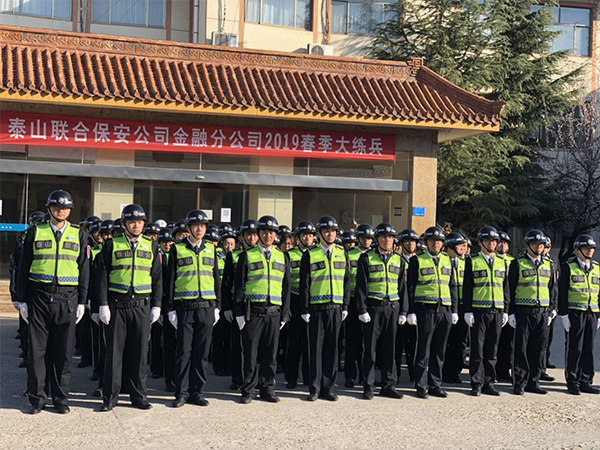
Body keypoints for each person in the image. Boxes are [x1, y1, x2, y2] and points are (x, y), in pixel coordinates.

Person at [16, 190, 90, 414]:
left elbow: (84, 270)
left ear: (70, 210)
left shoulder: (79, 234)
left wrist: (82, 302)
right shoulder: (35, 231)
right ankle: (37, 399)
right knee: (37, 352)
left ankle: (60, 398)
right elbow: (23, 266)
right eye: (57, 207)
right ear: (49, 209)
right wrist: (21, 300)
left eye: (65, 207)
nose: (61, 210)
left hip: (67, 299)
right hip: (39, 297)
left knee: (63, 353)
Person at [96, 204, 162, 411]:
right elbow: (102, 277)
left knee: (140, 354)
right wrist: (103, 304)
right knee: (114, 354)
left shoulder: (151, 246)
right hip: (117, 306)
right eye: (132, 222)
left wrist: (157, 305)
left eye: (140, 222)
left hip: (141, 307)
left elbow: (157, 278)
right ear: (124, 224)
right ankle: (110, 397)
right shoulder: (112, 244)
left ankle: (139, 396)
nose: (136, 226)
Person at [165, 210, 221, 408]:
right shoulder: (177, 249)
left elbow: (216, 279)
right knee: (183, 352)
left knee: (202, 352)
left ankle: (197, 392)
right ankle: (181, 393)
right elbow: (170, 280)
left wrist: (218, 306)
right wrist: (170, 309)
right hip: (185, 307)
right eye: (196, 226)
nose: (199, 229)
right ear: (188, 228)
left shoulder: (211, 249)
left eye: (203, 226)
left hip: (206, 306)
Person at [233, 215, 291, 404]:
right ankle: (248, 389)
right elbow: (239, 287)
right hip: (253, 312)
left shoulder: (282, 256)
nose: (268, 236)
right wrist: (239, 313)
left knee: (270, 354)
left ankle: (267, 388)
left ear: (276, 235)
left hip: (274, 312)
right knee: (250, 354)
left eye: (272, 233)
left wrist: (285, 313)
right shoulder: (247, 256)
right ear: (259, 234)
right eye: (264, 232)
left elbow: (286, 287)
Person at [299, 216, 350, 401]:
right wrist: (304, 309)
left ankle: (328, 388)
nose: (330, 234)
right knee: (315, 350)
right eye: (327, 231)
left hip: (335, 308)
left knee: (332, 350)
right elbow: (305, 284)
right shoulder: (310, 254)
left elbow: (346, 281)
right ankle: (314, 388)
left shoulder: (342, 253)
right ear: (319, 234)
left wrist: (345, 305)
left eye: (333, 231)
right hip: (316, 309)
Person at [355, 222, 407, 400]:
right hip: (373, 308)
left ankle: (388, 385)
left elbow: (402, 287)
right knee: (370, 349)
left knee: (390, 348)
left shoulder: (399, 259)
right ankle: (368, 385)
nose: (387, 240)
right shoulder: (366, 258)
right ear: (377, 239)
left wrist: (404, 311)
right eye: (384, 237)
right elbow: (361, 286)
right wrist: (362, 309)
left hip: (392, 307)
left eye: (390, 237)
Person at [407, 226, 458, 399]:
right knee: (423, 349)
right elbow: (411, 288)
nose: (435, 243)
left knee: (439, 350)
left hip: (444, 310)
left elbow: (452, 287)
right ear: (426, 242)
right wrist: (411, 311)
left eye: (438, 241)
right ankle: (421, 385)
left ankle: (435, 384)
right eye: (432, 240)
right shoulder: (417, 260)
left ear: (442, 244)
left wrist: (454, 310)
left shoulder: (448, 260)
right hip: (425, 310)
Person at [507, 229, 558, 395]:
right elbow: (510, 288)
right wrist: (510, 312)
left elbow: (552, 289)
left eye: (541, 245)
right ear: (527, 245)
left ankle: (533, 382)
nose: (538, 247)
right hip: (523, 311)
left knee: (538, 349)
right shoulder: (518, 263)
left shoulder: (549, 264)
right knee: (521, 349)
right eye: (535, 244)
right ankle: (519, 382)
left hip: (542, 312)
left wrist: (552, 309)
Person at [462, 227, 510, 396]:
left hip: (496, 311)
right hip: (479, 311)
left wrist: (505, 310)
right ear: (480, 242)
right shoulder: (472, 260)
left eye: (494, 241)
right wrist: (467, 310)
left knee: (492, 350)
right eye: (488, 241)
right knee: (477, 350)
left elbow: (505, 288)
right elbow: (467, 288)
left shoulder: (501, 262)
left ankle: (489, 383)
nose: (492, 244)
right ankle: (476, 383)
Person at [558, 234, 600, 395]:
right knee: (575, 348)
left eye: (592, 248)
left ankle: (586, 381)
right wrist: (563, 314)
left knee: (589, 348)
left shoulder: (596, 267)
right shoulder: (568, 266)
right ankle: (573, 381)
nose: (590, 251)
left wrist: (599, 314)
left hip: (592, 313)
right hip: (575, 313)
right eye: (586, 248)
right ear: (577, 250)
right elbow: (562, 292)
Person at [222, 219, 259, 390]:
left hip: (255, 305)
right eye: (248, 235)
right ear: (241, 237)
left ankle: (254, 380)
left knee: (255, 346)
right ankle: (237, 378)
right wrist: (227, 307)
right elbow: (227, 283)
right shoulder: (234, 255)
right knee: (237, 344)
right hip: (238, 305)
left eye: (254, 235)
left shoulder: (262, 254)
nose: (252, 238)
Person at [10, 211, 45, 369]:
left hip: (43, 290)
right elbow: (16, 268)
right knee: (27, 328)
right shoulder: (24, 239)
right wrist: (16, 294)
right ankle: (27, 356)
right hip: (29, 290)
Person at [284, 220, 315, 389]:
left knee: (311, 342)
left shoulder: (317, 254)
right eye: (304, 235)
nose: (307, 238)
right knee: (294, 342)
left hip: (312, 301)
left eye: (310, 235)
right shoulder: (290, 255)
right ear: (298, 238)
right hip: (295, 300)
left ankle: (309, 377)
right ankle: (291, 377)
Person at [343, 223, 374, 388]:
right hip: (353, 300)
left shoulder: (374, 256)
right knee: (352, 340)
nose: (367, 241)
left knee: (367, 342)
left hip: (370, 302)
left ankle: (364, 375)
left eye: (369, 238)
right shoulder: (349, 255)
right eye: (363, 238)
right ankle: (350, 375)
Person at [442, 232, 469, 384]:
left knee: (460, 341)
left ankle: (455, 371)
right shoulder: (443, 261)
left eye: (464, 246)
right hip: (447, 305)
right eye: (460, 245)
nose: (463, 248)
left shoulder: (466, 262)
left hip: (462, 305)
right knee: (446, 340)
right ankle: (444, 371)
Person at [395, 229, 419, 383]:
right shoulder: (396, 260)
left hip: (415, 308)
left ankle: (414, 374)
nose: (411, 244)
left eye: (413, 241)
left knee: (413, 344)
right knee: (396, 344)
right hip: (398, 307)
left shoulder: (419, 260)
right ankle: (394, 375)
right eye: (407, 241)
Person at [157, 227, 176, 392]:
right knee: (162, 341)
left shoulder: (176, 256)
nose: (167, 245)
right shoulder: (157, 257)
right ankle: (163, 374)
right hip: (161, 303)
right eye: (164, 242)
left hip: (176, 303)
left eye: (170, 242)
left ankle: (175, 378)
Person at [495, 230, 514, 382]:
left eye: (505, 243)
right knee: (493, 341)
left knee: (508, 342)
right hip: (494, 305)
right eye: (500, 242)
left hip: (509, 305)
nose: (502, 245)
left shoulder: (513, 262)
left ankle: (504, 370)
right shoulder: (492, 260)